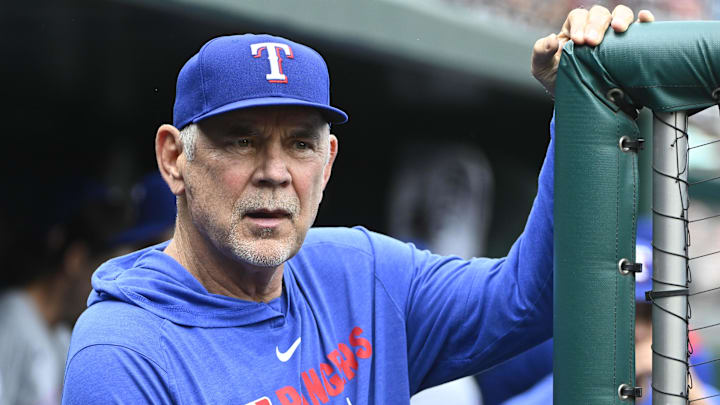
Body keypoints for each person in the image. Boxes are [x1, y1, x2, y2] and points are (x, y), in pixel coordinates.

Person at [62, 5, 654, 404]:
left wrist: (584, 113)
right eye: (240, 139)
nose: (274, 172)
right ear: (174, 159)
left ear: (329, 161)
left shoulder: (361, 273)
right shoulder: (123, 352)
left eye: (299, 144)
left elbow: (535, 297)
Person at [0, 179, 123, 405]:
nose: (109, 287)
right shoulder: (9, 323)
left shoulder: (63, 337)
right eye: (103, 270)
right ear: (75, 261)